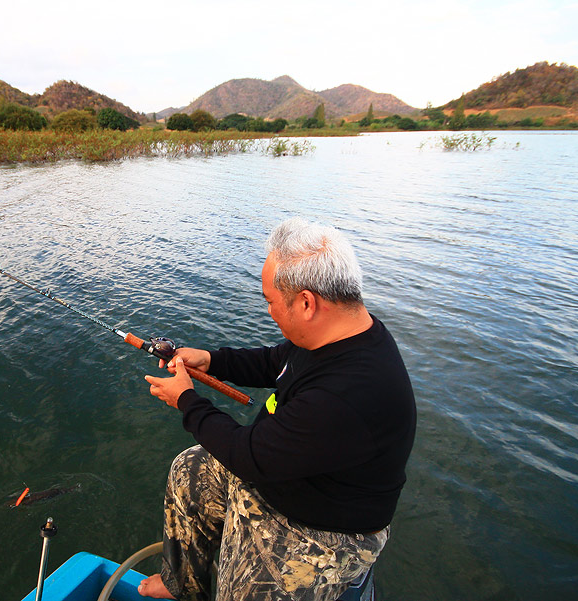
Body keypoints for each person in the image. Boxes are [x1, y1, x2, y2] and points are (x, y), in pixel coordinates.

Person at [138, 217, 417, 601]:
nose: (268, 309)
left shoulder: (348, 393)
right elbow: (276, 362)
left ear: (306, 302)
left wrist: (186, 399)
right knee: (189, 471)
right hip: (283, 474)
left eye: (270, 300)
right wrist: (211, 359)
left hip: (323, 526)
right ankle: (182, 584)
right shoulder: (337, 331)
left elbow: (249, 456)